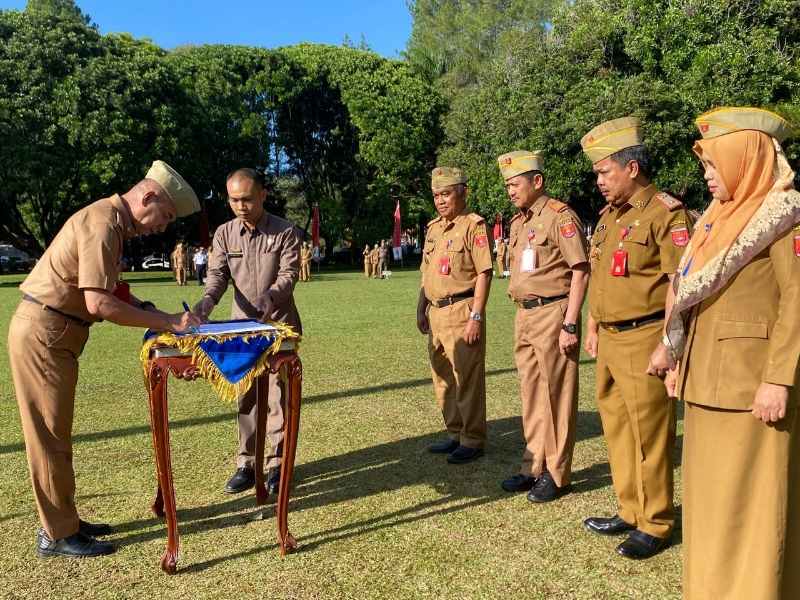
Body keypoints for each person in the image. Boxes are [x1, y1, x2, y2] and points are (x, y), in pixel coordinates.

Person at [8, 160, 202, 558]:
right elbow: (99, 302)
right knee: (49, 438)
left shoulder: (109, 220)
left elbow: (110, 291)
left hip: (55, 331)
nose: (161, 227)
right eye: (163, 216)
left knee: (56, 434)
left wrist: (152, 310)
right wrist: (167, 320)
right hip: (46, 332)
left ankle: (65, 521)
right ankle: (57, 534)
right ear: (147, 196)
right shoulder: (105, 223)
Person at [654, 108, 800, 599]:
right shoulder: (715, 219)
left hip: (753, 392)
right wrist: (677, 359)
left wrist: (779, 379)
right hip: (707, 386)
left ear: (745, 160)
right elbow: (692, 299)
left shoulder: (784, 215)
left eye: (715, 165)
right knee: (711, 510)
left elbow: (798, 302)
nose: (708, 176)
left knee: (754, 515)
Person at [580, 117, 691, 559]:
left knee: (650, 436)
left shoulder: (667, 212)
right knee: (618, 430)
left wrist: (669, 342)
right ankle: (630, 509)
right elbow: (600, 277)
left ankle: (657, 521)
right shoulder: (610, 218)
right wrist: (591, 325)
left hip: (644, 337)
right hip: (608, 338)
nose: (600, 182)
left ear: (631, 168)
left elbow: (678, 283)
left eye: (605, 172)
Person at [193, 168, 302, 497]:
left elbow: (289, 273)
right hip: (242, 329)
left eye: (247, 199)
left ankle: (277, 464)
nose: (241, 206)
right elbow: (217, 275)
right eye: (234, 200)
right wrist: (207, 302)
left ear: (263, 195)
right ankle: (246, 463)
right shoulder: (225, 234)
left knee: (277, 398)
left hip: (277, 327)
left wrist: (271, 296)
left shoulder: (284, 231)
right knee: (247, 397)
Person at [496, 150, 590, 502]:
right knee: (532, 394)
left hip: (554, 313)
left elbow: (580, 270)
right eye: (506, 185)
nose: (510, 190)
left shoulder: (559, 217)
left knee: (557, 395)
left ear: (537, 181)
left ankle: (557, 472)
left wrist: (569, 323)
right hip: (525, 314)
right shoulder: (520, 222)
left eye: (515, 183)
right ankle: (532, 465)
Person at [416, 166, 493, 464]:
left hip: (462, 309)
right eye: (436, 195)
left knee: (467, 378)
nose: (440, 201)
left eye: (446, 194)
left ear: (463, 192)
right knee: (443, 377)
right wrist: (420, 307)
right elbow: (426, 273)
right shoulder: (434, 228)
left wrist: (477, 316)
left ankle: (473, 439)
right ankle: (455, 432)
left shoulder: (474, 226)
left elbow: (485, 273)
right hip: (436, 311)